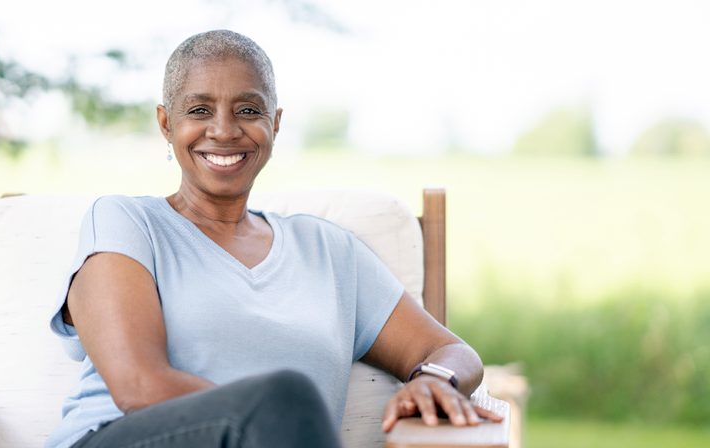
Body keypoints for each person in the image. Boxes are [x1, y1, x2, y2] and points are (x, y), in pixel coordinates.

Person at [46, 30, 502, 448]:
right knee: (284, 396)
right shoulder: (127, 222)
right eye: (199, 110)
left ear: (276, 123)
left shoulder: (330, 253)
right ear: (166, 123)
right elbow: (137, 386)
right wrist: (274, 420)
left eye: (248, 110)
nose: (224, 130)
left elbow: (450, 351)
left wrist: (435, 379)